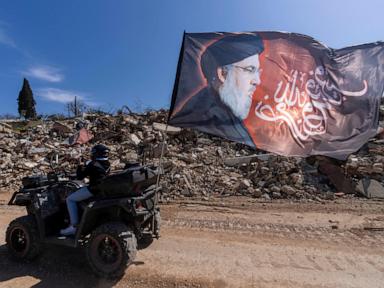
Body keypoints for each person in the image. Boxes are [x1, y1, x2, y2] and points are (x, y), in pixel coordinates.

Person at [169, 33, 264, 147]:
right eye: (249, 70)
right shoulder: (202, 117)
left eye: (258, 71)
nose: (257, 81)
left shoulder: (227, 111)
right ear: (223, 74)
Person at [60, 144, 111, 236]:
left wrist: (79, 165)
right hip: (102, 188)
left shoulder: (93, 164)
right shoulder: (107, 164)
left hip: (93, 190)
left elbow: (80, 177)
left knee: (70, 199)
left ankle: (74, 227)